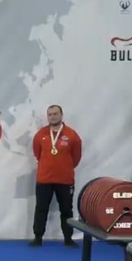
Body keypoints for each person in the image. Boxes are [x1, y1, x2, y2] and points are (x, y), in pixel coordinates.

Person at [30, 104, 82, 247]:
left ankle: (68, 238)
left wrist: (65, 167)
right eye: (50, 114)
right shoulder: (40, 135)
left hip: (65, 180)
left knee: (66, 210)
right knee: (41, 209)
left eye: (55, 114)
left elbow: (76, 157)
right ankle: (38, 237)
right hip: (44, 179)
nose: (52, 117)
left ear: (61, 115)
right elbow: (37, 154)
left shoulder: (72, 135)